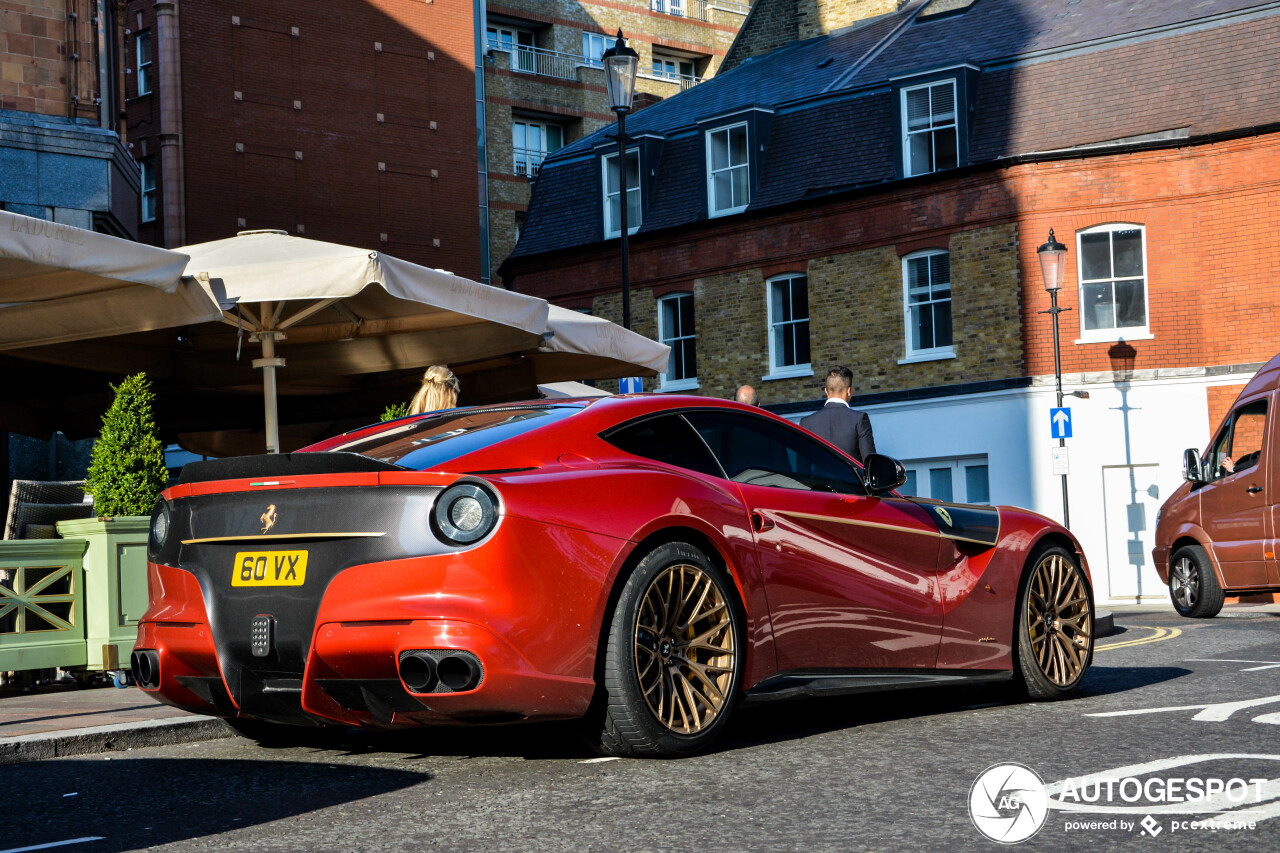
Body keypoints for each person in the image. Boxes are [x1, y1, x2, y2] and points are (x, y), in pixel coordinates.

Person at [800, 366, 876, 464]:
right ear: (849, 391)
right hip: (850, 479)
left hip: (819, 479)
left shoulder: (806, 423)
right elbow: (870, 463)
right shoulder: (859, 419)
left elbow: (802, 467)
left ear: (826, 391)